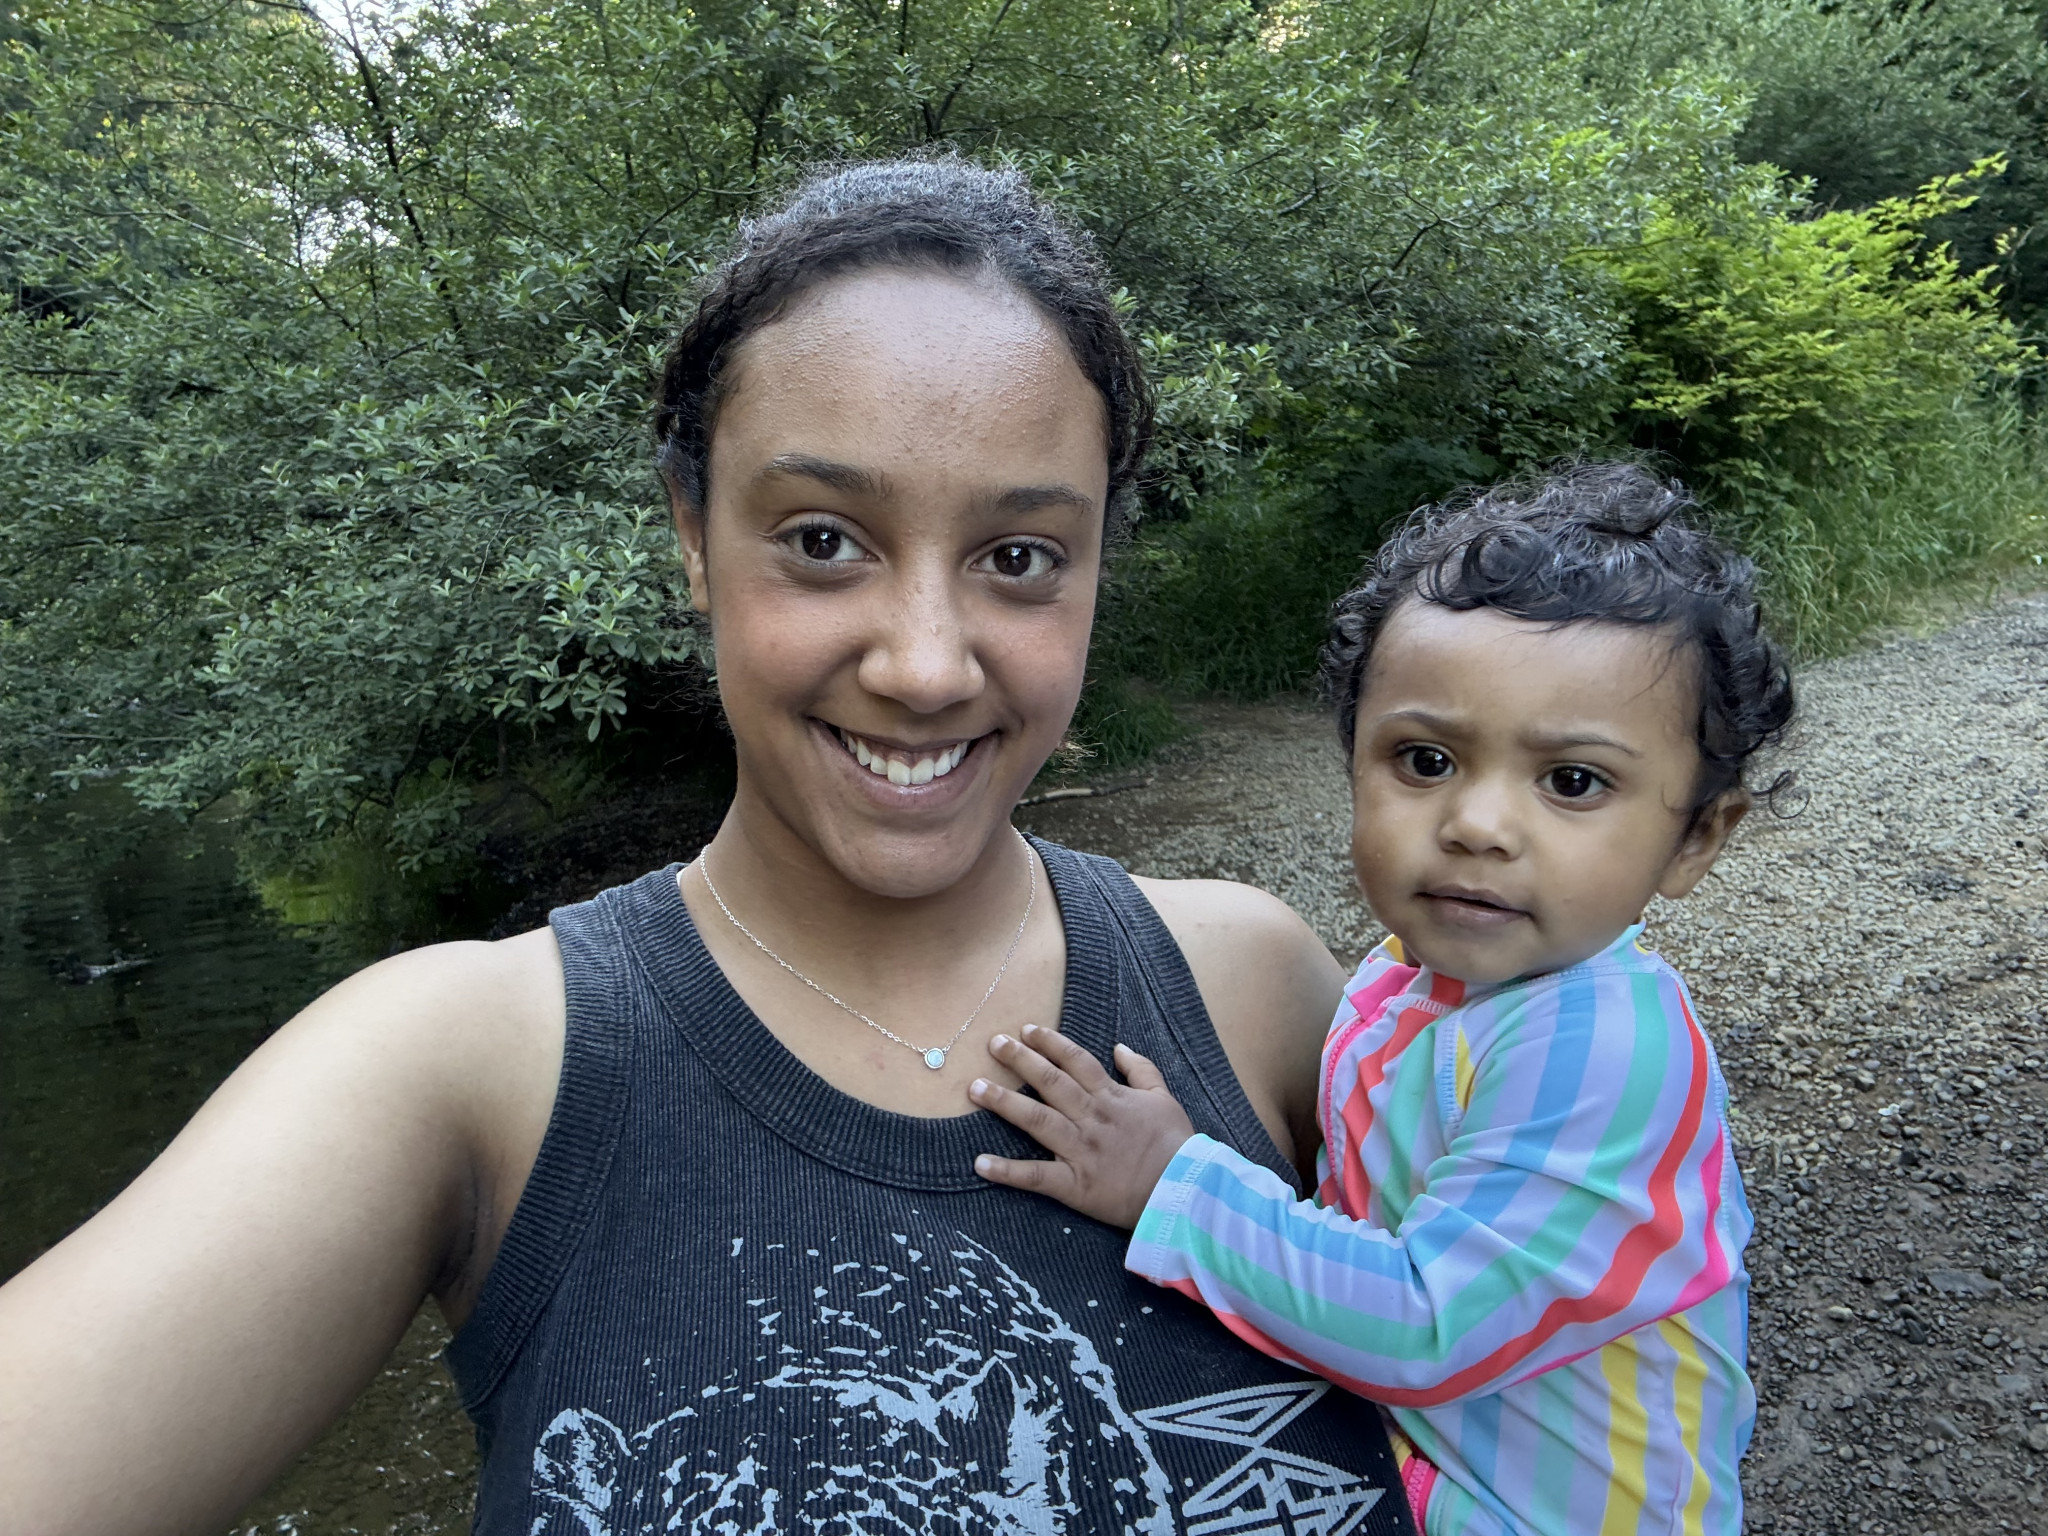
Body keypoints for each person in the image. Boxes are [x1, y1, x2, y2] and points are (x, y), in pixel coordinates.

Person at [0, 159, 1419, 1535]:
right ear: (692, 535)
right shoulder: (465, 1070)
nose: (926, 664)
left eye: (1019, 558)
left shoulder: (1258, 991)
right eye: (823, 540)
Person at [971, 465, 1795, 1535]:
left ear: (1695, 836)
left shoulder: (1604, 1048)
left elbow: (1426, 1325)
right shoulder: (1406, 978)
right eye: (1425, 759)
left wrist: (1173, 1182)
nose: (1477, 825)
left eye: (1571, 781)